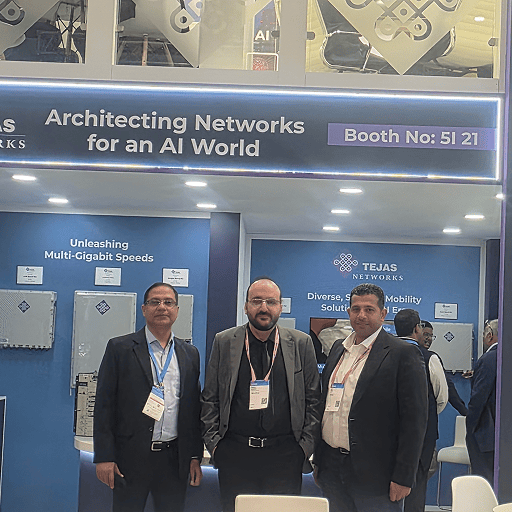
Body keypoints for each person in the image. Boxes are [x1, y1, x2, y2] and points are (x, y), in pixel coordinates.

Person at [201, 277, 321, 512]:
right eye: (256, 301)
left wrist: (304, 449)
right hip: (235, 455)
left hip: (286, 455)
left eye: (271, 302)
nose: (264, 308)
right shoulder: (224, 341)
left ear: (281, 307)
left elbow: (314, 400)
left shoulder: (301, 343)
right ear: (246, 306)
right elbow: (210, 397)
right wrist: (215, 446)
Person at [314, 283, 428, 512]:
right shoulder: (338, 349)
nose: (361, 315)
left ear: (383, 314)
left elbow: (414, 420)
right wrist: (319, 460)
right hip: (332, 467)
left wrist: (404, 476)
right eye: (356, 309)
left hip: (378, 476)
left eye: (369, 309)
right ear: (348, 312)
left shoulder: (402, 353)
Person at [93, 282, 203, 512]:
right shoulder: (120, 349)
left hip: (174, 460)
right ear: (144, 309)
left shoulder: (189, 354)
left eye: (168, 302)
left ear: (177, 310)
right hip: (130, 459)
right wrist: (104, 456)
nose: (162, 307)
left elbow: (193, 409)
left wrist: (195, 455)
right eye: (155, 302)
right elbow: (104, 405)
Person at [394, 309, 448, 512]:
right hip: (422, 433)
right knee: (417, 480)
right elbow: (441, 397)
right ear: (417, 329)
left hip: (389, 432)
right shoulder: (430, 358)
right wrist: (425, 415)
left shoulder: (383, 354)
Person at [466, 319, 498, 483]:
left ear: (490, 335)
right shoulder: (503, 357)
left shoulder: (488, 359)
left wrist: (470, 426)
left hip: (485, 434)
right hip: (502, 434)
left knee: (484, 481)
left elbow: (478, 399)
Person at [420, 320, 468, 416]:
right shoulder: (431, 358)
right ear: (417, 333)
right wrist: (465, 412)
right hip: (426, 413)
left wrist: (465, 412)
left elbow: (448, 386)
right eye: (426, 335)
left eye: (431, 336)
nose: (429, 339)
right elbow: (447, 388)